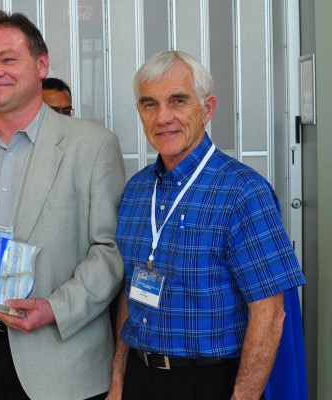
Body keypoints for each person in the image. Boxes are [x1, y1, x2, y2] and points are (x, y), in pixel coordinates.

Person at [0, 10, 125, 400]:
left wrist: (54, 309)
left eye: (8, 59)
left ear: (42, 64)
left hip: (58, 357)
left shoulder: (93, 146)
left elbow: (110, 250)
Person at [108, 50, 306, 400]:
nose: (163, 117)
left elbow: (270, 314)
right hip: (140, 378)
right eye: (149, 104)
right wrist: (118, 381)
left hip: (211, 383)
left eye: (178, 101)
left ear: (208, 108)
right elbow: (131, 293)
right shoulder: (136, 191)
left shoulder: (244, 192)